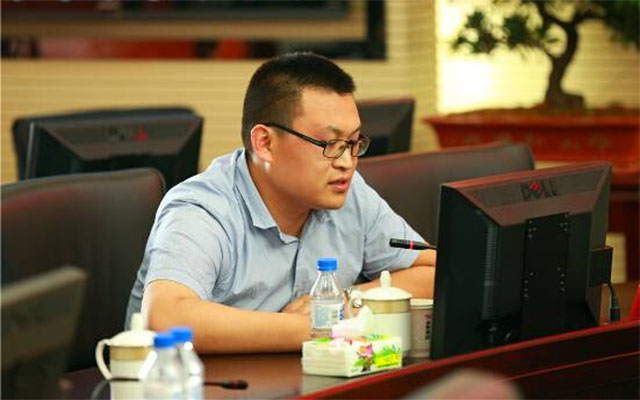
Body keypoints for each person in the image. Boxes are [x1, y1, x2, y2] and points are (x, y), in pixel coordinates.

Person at [125, 52, 436, 353]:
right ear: (265, 143)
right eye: (330, 143)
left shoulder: (350, 194)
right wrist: (320, 324)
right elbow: (166, 318)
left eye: (353, 143)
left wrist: (346, 299)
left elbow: (435, 271)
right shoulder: (201, 209)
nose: (347, 162)